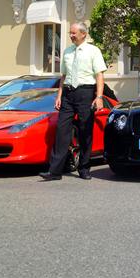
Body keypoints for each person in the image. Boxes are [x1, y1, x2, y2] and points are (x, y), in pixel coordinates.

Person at [40, 22, 107, 181]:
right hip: (68, 94)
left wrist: (99, 97)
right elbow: (63, 76)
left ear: (83, 34)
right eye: (70, 33)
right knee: (62, 131)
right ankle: (55, 171)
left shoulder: (93, 51)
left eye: (73, 33)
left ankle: (84, 168)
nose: (71, 35)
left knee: (85, 131)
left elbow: (99, 76)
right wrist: (59, 95)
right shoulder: (67, 52)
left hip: (85, 93)